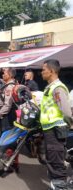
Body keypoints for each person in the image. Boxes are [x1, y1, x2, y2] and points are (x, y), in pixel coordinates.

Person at [40, 59, 73, 190]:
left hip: (55, 129)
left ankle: (60, 186)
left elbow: (65, 111)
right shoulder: (50, 87)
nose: (41, 72)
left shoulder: (57, 88)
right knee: (52, 157)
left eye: (43, 70)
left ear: (52, 71)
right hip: (49, 128)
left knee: (55, 159)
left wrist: (68, 124)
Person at [0, 68, 17, 132]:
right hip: (5, 115)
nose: (2, 75)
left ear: (10, 75)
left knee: (6, 135)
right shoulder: (7, 85)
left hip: (7, 117)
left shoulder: (9, 87)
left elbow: (7, 105)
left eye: (4, 73)